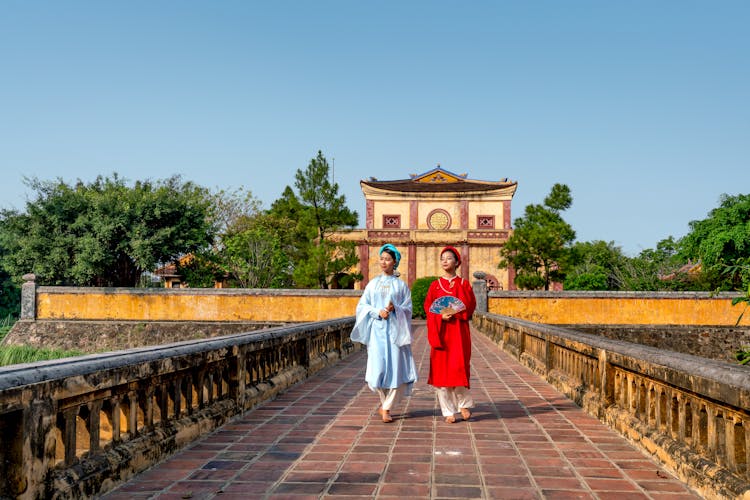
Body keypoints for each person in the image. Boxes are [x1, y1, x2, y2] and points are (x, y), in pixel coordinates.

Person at [351, 244, 417, 423]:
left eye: (388, 259)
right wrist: (377, 312)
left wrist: (396, 308)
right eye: (381, 258)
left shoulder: (401, 286)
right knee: (378, 370)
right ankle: (385, 403)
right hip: (377, 332)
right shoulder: (372, 284)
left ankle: (386, 408)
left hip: (396, 332)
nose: (384, 262)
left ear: (394, 262)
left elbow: (408, 308)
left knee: (397, 369)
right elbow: (362, 306)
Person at [424, 246, 477, 423]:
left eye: (449, 258)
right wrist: (440, 316)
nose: (445, 261)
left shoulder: (464, 284)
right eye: (442, 258)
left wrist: (456, 310)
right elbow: (429, 309)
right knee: (441, 373)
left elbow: (469, 307)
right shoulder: (434, 286)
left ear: (457, 262)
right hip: (441, 333)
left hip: (458, 333)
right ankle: (448, 411)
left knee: (459, 368)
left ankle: (463, 403)